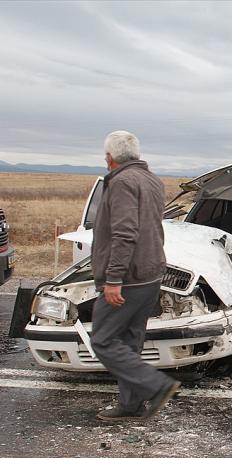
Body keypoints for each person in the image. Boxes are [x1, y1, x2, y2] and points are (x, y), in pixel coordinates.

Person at [91, 130, 181, 421]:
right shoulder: (152, 180)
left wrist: (113, 278)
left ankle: (156, 386)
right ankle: (130, 406)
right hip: (152, 273)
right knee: (130, 342)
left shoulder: (122, 182)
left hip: (129, 278)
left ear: (110, 157)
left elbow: (125, 233)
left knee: (103, 340)